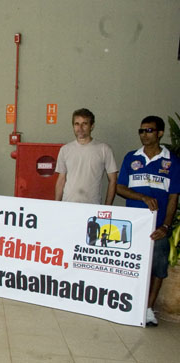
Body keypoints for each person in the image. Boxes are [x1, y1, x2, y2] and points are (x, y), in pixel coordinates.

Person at [116, 116, 180, 327]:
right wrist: (142, 197)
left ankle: (148, 309)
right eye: (141, 131)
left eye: (149, 130)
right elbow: (120, 187)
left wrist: (166, 225)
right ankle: (126, 304)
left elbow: (173, 197)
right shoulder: (131, 158)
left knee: (158, 266)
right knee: (128, 265)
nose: (144, 134)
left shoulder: (171, 161)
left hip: (157, 227)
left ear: (160, 133)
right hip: (134, 226)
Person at [55, 108, 118, 204]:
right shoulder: (65, 150)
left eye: (84, 124)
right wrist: (56, 205)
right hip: (67, 205)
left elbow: (113, 180)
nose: (80, 128)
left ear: (92, 126)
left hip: (92, 207)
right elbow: (61, 180)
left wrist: (107, 208)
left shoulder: (104, 149)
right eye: (77, 124)